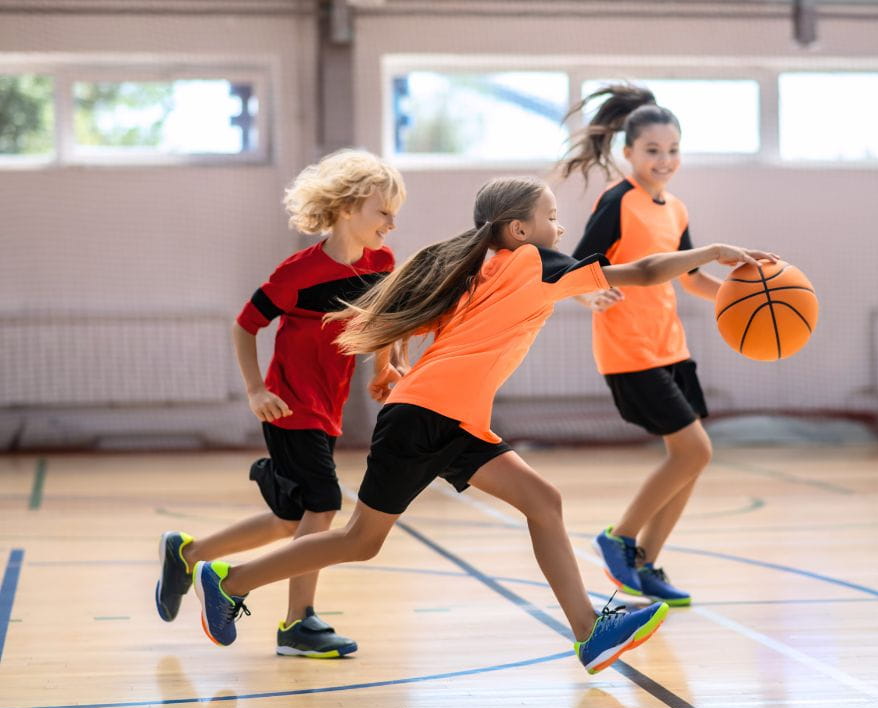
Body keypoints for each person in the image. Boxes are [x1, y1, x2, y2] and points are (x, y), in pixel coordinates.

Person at [190, 176, 776, 674]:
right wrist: (708, 252)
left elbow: (425, 322)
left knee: (542, 501)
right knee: (360, 542)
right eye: (551, 217)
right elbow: (644, 271)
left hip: (453, 420)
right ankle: (230, 581)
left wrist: (391, 365)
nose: (560, 229)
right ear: (519, 230)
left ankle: (590, 632)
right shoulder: (533, 262)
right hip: (425, 417)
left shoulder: (487, 269)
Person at [154, 148, 406, 658]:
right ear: (347, 208)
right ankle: (298, 623)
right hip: (289, 406)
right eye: (384, 212)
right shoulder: (297, 273)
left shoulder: (381, 264)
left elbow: (383, 324)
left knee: (291, 519)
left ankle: (189, 554)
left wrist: (386, 368)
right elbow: (245, 325)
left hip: (328, 405)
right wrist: (255, 390)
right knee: (325, 506)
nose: (391, 224)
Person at [559, 84, 735, 606]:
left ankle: (646, 563)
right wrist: (587, 298)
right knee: (694, 450)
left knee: (691, 459)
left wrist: (745, 294)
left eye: (673, 150)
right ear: (628, 153)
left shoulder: (674, 209)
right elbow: (573, 271)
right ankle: (619, 537)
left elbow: (693, 279)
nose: (664, 160)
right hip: (628, 349)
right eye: (653, 151)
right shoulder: (619, 201)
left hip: (670, 348)